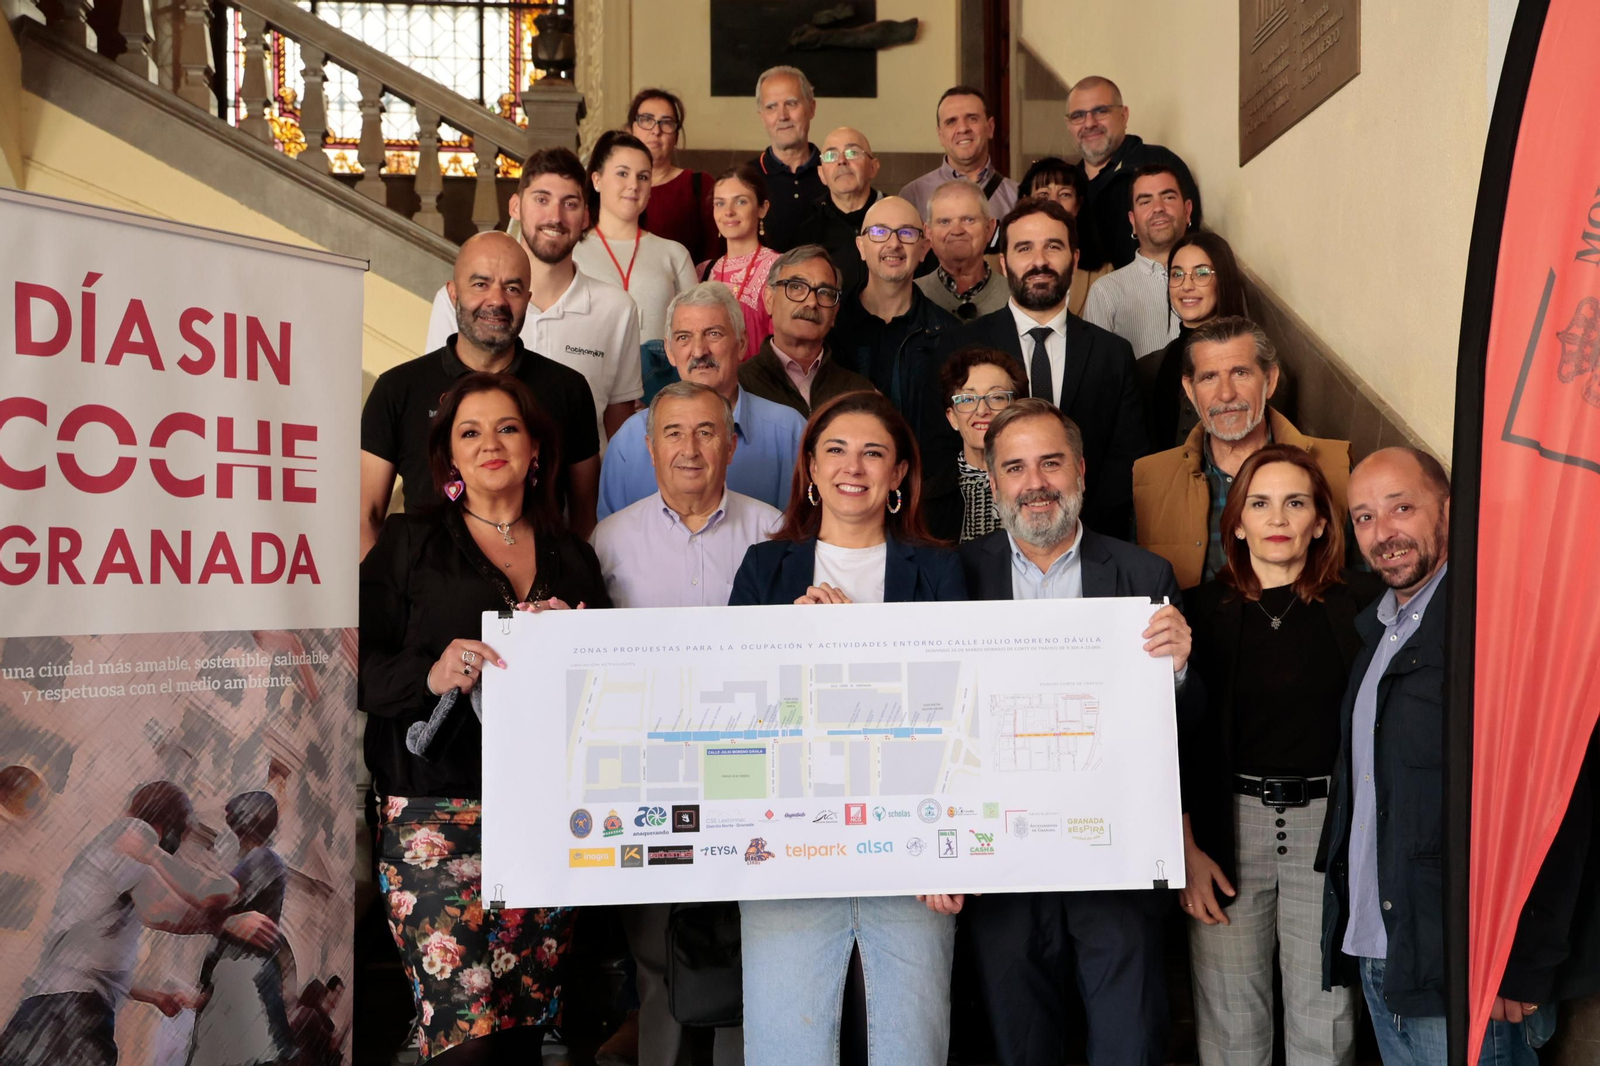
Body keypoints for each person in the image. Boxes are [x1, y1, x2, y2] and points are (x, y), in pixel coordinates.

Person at [361, 372, 609, 1064]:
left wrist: (579, 646)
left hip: (544, 817)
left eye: (507, 428)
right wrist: (431, 673)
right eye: (470, 432)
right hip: (433, 815)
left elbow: (607, 699)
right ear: (449, 459)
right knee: (462, 1034)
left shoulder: (575, 558)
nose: (490, 444)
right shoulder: (411, 543)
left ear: (536, 451)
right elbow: (355, 663)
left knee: (525, 1026)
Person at [950, 398, 1198, 1066]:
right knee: (1021, 1043)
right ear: (993, 481)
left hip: (1113, 863)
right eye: (1016, 467)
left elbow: (1184, 732)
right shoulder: (953, 578)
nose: (1036, 483)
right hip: (1001, 865)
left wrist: (1176, 671)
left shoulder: (1145, 576)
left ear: (1081, 471)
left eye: (1051, 463)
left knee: (1130, 1042)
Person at [730, 391, 966, 1066]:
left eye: (873, 452)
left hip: (911, 849)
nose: (852, 466)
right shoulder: (765, 569)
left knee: (910, 1044)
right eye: (834, 449)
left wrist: (951, 850)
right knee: (786, 1041)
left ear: (899, 475)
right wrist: (800, 645)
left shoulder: (941, 568)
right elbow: (737, 714)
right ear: (809, 466)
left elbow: (955, 707)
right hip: (788, 848)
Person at [1319, 447, 1537, 1065]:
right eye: (1362, 517)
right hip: (1384, 952)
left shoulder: (1489, 626)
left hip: (1462, 964)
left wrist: (1520, 959)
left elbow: (1546, 798)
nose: (1382, 533)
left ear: (1448, 508)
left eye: (1401, 508)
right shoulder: (1379, 634)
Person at [591, 380, 779, 1066]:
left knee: (744, 946)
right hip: (648, 786)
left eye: (708, 431)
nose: (691, 448)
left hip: (751, 778)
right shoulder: (608, 541)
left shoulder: (776, 531)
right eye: (673, 433)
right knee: (655, 953)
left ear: (732, 443)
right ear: (648, 446)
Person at [1179, 445, 1382, 1066]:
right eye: (1259, 503)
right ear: (1235, 521)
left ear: (1322, 520)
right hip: (1227, 827)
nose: (1277, 517)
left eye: (1296, 503)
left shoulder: (1365, 608)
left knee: (1326, 1018)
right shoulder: (1197, 611)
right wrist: (1186, 849)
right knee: (1230, 1017)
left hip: (1331, 827)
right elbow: (1175, 742)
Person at [0, 783, 266, 1066]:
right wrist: (227, 923)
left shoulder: (110, 854)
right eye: (182, 836)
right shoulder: (137, 833)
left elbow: (92, 959)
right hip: (69, 1018)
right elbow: (169, 908)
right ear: (170, 826)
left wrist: (155, 997)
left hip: (42, 1012)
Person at [939, 198, 1146, 539]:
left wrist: (1070, 530)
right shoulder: (959, 347)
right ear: (1004, 263)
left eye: (1053, 246)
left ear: (1075, 259)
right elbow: (940, 449)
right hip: (985, 542)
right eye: (1024, 248)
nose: (1039, 261)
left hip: (1088, 540)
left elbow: (1127, 462)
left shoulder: (1113, 353)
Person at [421, 148, 637, 457]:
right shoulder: (458, 302)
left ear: (587, 216)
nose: (555, 216)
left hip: (580, 497)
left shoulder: (617, 309)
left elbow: (619, 427)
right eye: (541, 199)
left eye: (570, 204)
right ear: (515, 206)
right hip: (480, 495)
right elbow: (439, 406)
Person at [1132, 316, 1346, 590]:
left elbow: (1360, 594)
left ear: (1270, 380)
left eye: (1240, 373)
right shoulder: (1150, 479)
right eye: (1209, 377)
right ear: (1190, 389)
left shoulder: (1334, 466)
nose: (1225, 394)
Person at [598, 282, 803, 517]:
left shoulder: (790, 433)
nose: (698, 351)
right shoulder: (630, 440)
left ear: (742, 344)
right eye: (684, 337)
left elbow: (805, 535)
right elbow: (611, 540)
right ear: (669, 351)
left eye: (713, 334)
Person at [831, 195, 958, 487]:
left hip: (924, 495)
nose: (893, 243)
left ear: (924, 248)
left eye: (906, 233)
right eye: (878, 232)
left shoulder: (950, 335)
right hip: (847, 489)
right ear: (861, 247)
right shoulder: (833, 328)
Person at [573, 130, 697, 410]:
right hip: (590, 392)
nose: (634, 185)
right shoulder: (572, 252)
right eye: (622, 173)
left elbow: (692, 334)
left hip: (662, 397)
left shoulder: (673, 253)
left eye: (643, 176)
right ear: (596, 180)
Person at [186, 791, 294, 1065]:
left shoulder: (262, 858)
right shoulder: (256, 860)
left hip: (244, 974)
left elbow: (213, 897)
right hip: (238, 973)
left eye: (234, 817)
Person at [1066, 75, 1202, 272]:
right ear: (1068, 125)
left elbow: (1186, 243)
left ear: (1124, 115)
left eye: (1100, 111)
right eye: (1078, 116)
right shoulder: (1065, 186)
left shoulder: (1160, 164)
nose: (1089, 123)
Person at [1136, 230, 1248, 449]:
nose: (1186, 285)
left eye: (1202, 273)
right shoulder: (1149, 367)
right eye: (1177, 274)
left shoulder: (1251, 359)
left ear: (1223, 280)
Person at [738, 245, 876, 417]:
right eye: (796, 287)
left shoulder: (858, 392)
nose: (812, 302)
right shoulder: (739, 387)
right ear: (769, 299)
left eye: (824, 292)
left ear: (835, 313)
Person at [1082, 165, 1192, 359]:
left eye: (1168, 197)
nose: (1158, 208)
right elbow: (1098, 375)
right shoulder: (1106, 291)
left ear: (1187, 210)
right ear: (1132, 220)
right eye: (1145, 201)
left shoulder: (1215, 275)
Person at [921, 345, 1027, 542]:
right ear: (952, 417)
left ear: (1017, 409)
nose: (982, 410)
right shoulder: (926, 500)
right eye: (968, 398)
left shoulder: (1040, 487)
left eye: (996, 397)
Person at [899, 86, 1019, 242]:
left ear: (990, 127)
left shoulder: (1017, 197)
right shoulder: (912, 196)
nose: (963, 128)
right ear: (940, 135)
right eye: (951, 122)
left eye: (972, 118)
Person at [630, 88, 718, 264]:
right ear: (631, 129)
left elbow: (714, 256)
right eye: (646, 120)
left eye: (666, 122)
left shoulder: (699, 185)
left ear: (676, 136)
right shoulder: (613, 187)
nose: (656, 130)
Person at [702, 164, 780, 361]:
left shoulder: (780, 269)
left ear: (762, 208)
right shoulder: (703, 271)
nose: (728, 212)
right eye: (720, 203)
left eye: (741, 202)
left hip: (760, 386)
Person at [795, 126, 885, 294]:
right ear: (821, 174)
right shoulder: (807, 229)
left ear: (873, 167)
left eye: (852, 153)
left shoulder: (896, 216)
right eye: (831, 155)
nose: (842, 160)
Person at [1018, 157, 1110, 316]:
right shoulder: (995, 265)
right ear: (1026, 201)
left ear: (1078, 205)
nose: (1054, 202)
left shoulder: (1104, 274)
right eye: (1043, 194)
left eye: (1065, 194)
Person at [749, 65, 823, 253]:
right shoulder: (745, 179)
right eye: (771, 107)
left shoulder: (834, 173)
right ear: (762, 117)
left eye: (791, 103)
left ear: (811, 108)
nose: (782, 116)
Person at [914, 179, 1009, 322]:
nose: (957, 231)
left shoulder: (1016, 297)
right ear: (929, 233)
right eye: (944, 222)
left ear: (989, 229)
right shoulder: (910, 297)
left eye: (968, 220)